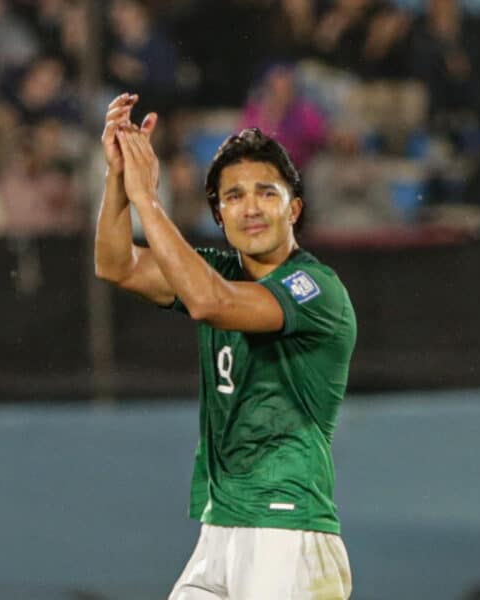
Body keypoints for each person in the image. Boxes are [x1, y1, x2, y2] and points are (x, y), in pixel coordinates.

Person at [95, 93, 356, 599]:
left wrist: (149, 199)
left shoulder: (315, 288)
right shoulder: (219, 271)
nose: (250, 207)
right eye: (233, 196)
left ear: (294, 208)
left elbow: (210, 302)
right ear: (219, 215)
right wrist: (118, 178)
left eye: (266, 192)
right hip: (222, 524)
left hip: (287, 524)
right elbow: (116, 264)